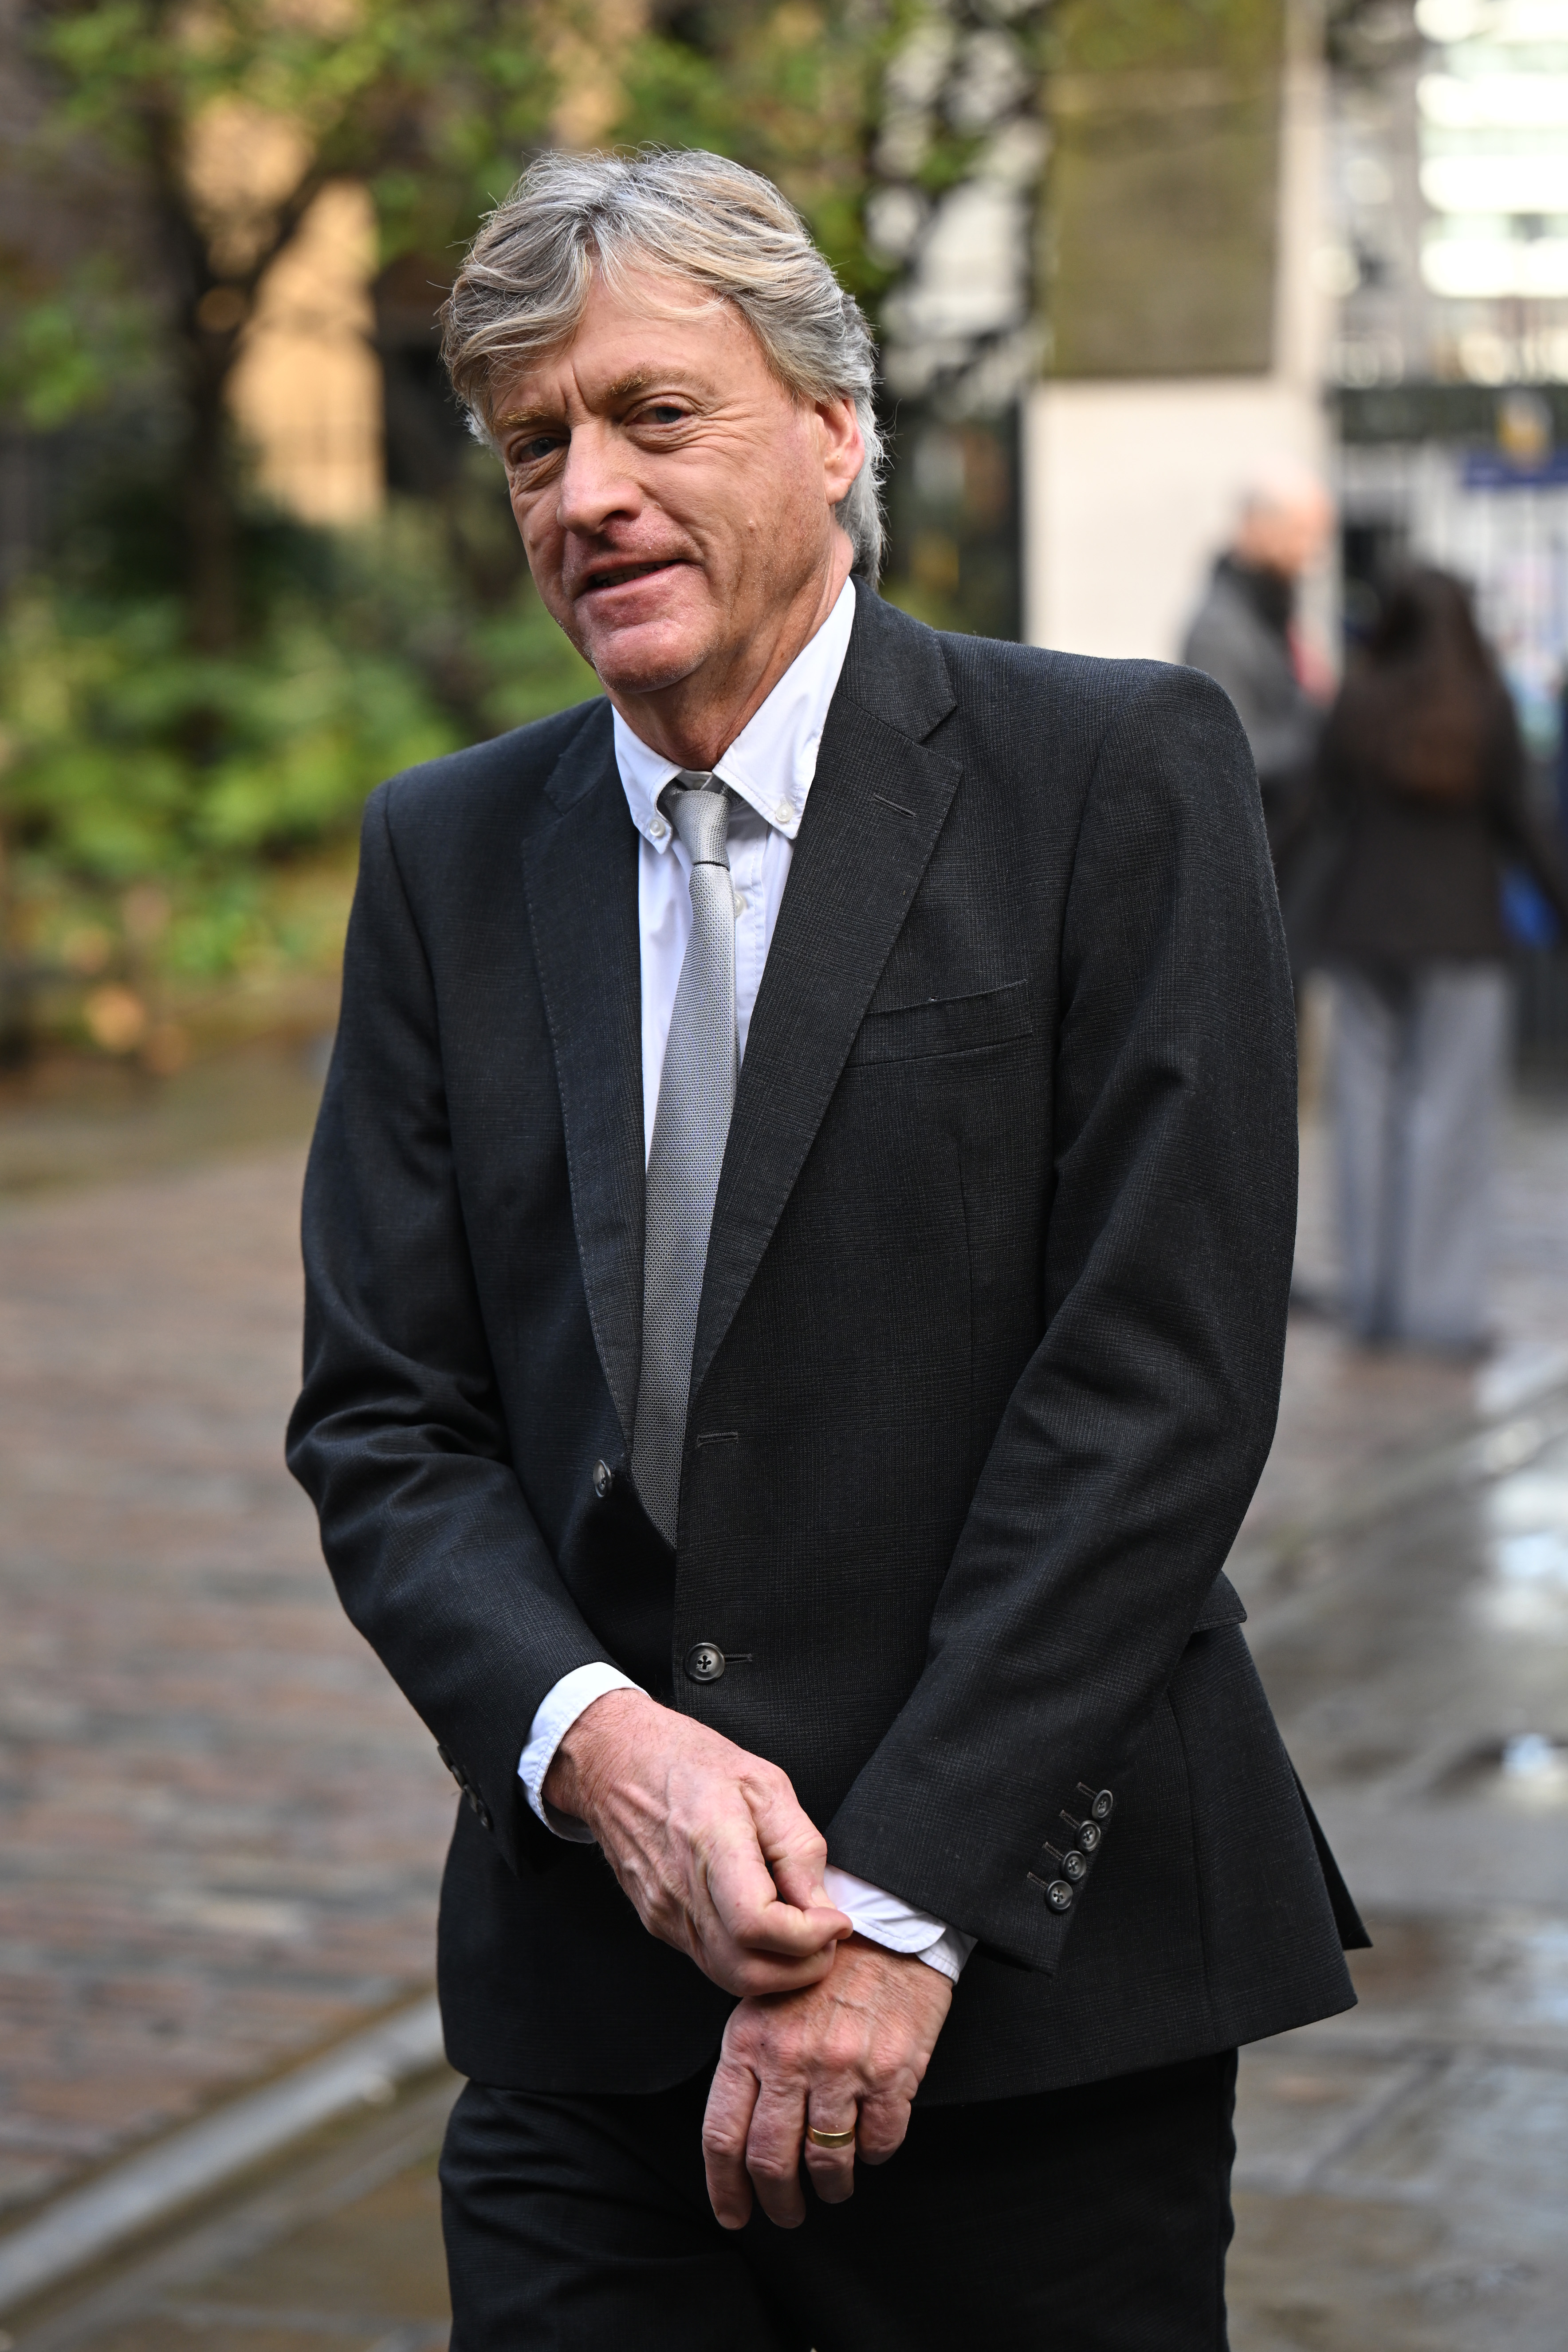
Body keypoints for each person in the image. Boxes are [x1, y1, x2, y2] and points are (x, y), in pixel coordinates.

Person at [287, 148, 1365, 2348]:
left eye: (652, 414)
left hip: (1033, 1991)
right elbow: (385, 1416)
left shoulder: (1109, 776)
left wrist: (898, 1907)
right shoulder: (445, 853)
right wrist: (594, 1741)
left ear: (831, 425)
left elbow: (1152, 1390)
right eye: (534, 444)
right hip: (590, 2010)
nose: (588, 491)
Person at [1310, 566, 1568, 1353]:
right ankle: (1439, 1314)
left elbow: (1314, 811)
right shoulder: (1485, 706)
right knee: (1448, 1121)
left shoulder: (1357, 699)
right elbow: (1522, 822)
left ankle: (1372, 1302)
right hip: (1462, 936)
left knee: (1363, 1119)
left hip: (1361, 932)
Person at [1182, 469, 1334, 978]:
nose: (1314, 555)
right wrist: (1319, 725)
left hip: (1285, 866)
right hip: (1259, 869)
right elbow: (1231, 750)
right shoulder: (1222, 629)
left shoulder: (1267, 615)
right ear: (1258, 528)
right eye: (1304, 534)